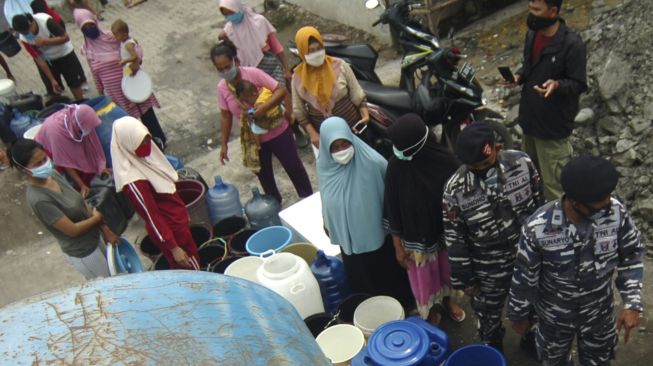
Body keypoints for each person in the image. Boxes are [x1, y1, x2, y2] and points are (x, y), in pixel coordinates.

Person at [508, 156, 644, 365]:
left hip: (599, 315)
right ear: (575, 202)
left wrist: (632, 303)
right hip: (554, 320)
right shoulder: (538, 227)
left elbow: (632, 255)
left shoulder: (615, 212)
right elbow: (525, 276)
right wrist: (518, 315)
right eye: (600, 205)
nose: (608, 206)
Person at [442, 122, 544, 353]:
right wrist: (466, 280)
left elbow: (540, 207)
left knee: (532, 306)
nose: (481, 169)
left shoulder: (522, 163)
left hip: (527, 259)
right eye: (474, 166)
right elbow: (455, 239)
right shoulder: (454, 189)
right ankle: (492, 346)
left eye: (486, 163)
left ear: (497, 148)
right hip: (487, 268)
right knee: (488, 314)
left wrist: (545, 250)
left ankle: (531, 339)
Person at [317, 116, 413, 306]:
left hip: (379, 239)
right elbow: (325, 197)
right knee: (361, 281)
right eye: (335, 148)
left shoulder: (373, 163)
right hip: (349, 242)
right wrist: (327, 221)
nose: (341, 151)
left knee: (387, 278)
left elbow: (394, 196)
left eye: (345, 144)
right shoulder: (324, 166)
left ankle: (400, 308)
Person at [384, 114, 465, 324]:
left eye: (400, 146)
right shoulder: (395, 167)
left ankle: (448, 301)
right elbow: (391, 208)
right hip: (416, 242)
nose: (396, 150)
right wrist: (397, 246)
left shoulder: (446, 161)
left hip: (445, 236)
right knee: (425, 280)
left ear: (416, 146)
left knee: (447, 270)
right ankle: (432, 308)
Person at [212, 42, 312, 204]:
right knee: (265, 177)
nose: (224, 72)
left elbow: (280, 90)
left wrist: (262, 109)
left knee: (294, 167)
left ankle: (308, 200)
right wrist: (224, 144)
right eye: (220, 69)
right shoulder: (222, 88)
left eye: (227, 66)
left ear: (235, 61)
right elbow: (225, 116)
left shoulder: (253, 73)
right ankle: (274, 206)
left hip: (278, 131)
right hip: (254, 140)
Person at [9, 138, 117, 279]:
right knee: (109, 287)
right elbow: (73, 230)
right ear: (23, 169)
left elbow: (80, 202)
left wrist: (105, 229)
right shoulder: (39, 199)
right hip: (84, 252)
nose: (45, 165)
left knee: (116, 274)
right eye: (37, 164)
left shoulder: (53, 175)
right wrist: (97, 218)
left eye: (45, 159)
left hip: (95, 238)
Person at [511, 0, 586, 202]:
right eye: (530, 8)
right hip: (530, 122)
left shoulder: (572, 45)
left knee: (555, 187)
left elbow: (578, 83)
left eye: (537, 10)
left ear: (553, 11)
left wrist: (557, 86)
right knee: (531, 179)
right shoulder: (532, 35)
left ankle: (563, 229)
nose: (531, 13)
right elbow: (529, 66)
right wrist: (519, 77)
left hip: (552, 129)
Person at [110, 116, 200, 270]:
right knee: (192, 270)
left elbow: (165, 184)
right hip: (171, 232)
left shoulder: (142, 157)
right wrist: (173, 247)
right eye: (142, 142)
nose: (147, 145)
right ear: (128, 142)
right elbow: (152, 217)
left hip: (178, 223)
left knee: (194, 261)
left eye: (147, 139)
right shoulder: (133, 182)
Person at [292, 26, 369, 148]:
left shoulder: (340, 65)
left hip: (353, 126)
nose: (316, 53)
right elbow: (298, 110)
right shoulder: (297, 77)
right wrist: (313, 134)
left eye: (319, 48)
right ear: (302, 52)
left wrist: (365, 115)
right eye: (310, 51)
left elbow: (356, 93)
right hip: (325, 136)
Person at [110, 18, 167, 150]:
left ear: (123, 33)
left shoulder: (128, 44)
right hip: (134, 74)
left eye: (116, 34)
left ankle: (158, 139)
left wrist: (124, 62)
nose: (115, 37)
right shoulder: (128, 41)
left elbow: (135, 57)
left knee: (145, 112)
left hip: (132, 71)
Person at [34, 104, 110, 197]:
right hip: (50, 146)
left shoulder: (81, 120)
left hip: (70, 134)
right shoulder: (57, 134)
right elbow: (66, 163)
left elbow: (93, 143)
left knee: (86, 166)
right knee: (73, 175)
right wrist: (81, 185)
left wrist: (101, 166)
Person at [12, 12, 87, 100]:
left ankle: (81, 102)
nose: (27, 35)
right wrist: (52, 80)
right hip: (47, 60)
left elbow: (65, 38)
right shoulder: (24, 38)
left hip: (64, 53)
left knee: (74, 83)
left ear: (31, 23)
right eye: (23, 33)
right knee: (54, 90)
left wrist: (45, 42)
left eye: (27, 31)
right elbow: (38, 59)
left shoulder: (45, 21)